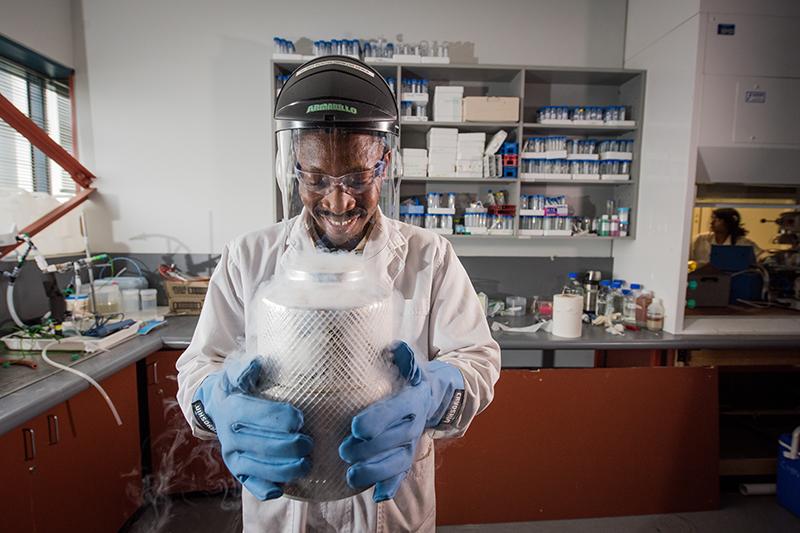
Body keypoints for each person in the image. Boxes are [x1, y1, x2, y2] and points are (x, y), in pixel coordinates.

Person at [176, 56, 501, 532]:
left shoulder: (428, 256)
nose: (338, 201)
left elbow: (477, 358)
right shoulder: (249, 257)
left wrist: (435, 392)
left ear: (384, 165)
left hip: (386, 508)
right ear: (295, 169)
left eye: (356, 177)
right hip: (284, 510)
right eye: (316, 179)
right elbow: (198, 366)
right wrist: (215, 401)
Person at [690, 207, 762, 265]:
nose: (712, 222)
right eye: (713, 218)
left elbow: (760, 257)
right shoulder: (700, 239)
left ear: (728, 222)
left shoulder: (744, 243)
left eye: (717, 219)